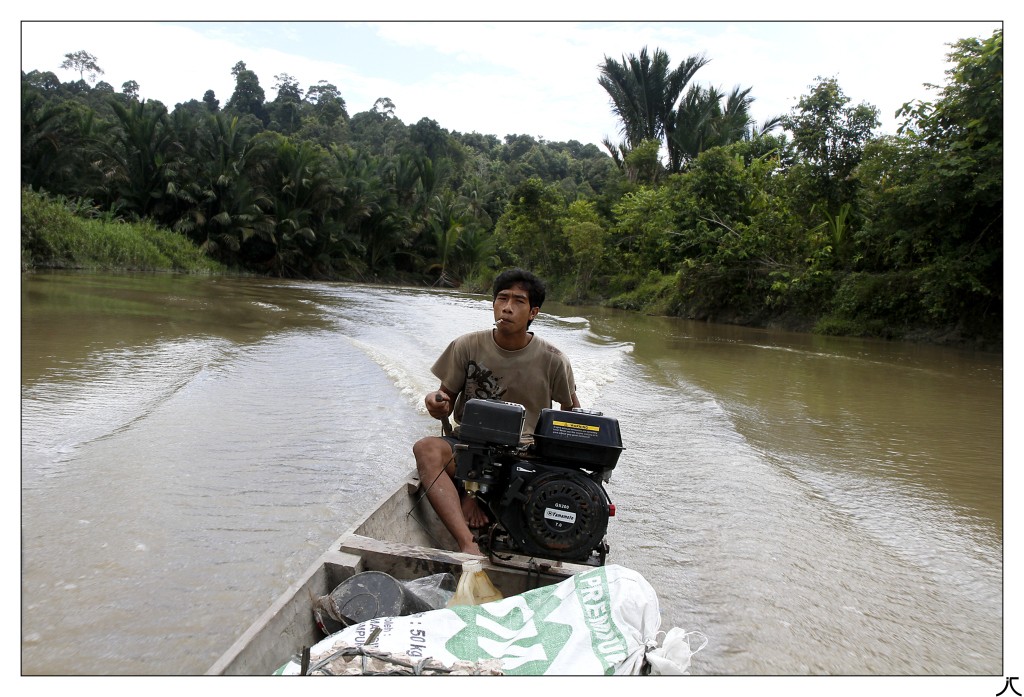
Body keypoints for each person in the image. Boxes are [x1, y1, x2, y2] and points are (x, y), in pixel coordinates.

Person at [412, 268, 580, 556]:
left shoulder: (553, 360)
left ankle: (474, 494)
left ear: (533, 312)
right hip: (468, 446)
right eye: (502, 298)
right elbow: (445, 399)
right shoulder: (466, 345)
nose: (507, 307)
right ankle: (467, 542)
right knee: (425, 448)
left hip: (524, 455)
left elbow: (572, 414)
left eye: (518, 301)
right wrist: (434, 401)